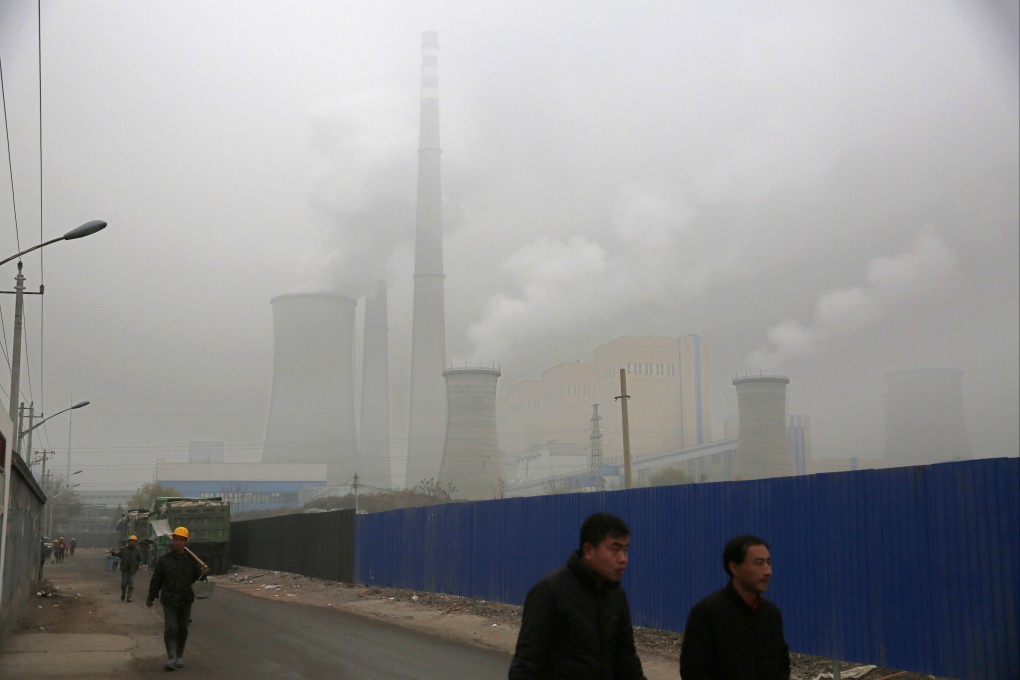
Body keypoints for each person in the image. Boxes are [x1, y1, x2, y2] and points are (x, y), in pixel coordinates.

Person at [508, 512, 647, 679]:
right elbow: (525, 668)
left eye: (625, 549)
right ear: (588, 550)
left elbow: (627, 662)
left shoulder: (616, 595)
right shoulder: (549, 593)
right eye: (615, 549)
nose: (623, 559)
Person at [679, 534, 791, 680]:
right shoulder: (707, 614)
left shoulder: (771, 614)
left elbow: (782, 666)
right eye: (758, 563)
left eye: (768, 563)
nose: (767, 571)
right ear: (734, 568)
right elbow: (693, 671)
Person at [146, 526, 209, 671]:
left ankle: (179, 656)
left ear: (185, 542)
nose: (178, 543)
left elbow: (198, 581)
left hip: (186, 600)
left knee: (182, 629)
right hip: (168, 600)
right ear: (172, 541)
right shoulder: (164, 561)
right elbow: (156, 580)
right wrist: (151, 597)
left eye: (181, 540)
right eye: (176, 540)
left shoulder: (193, 562)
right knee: (171, 627)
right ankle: (171, 658)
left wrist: (203, 573)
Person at [111, 535, 142, 602]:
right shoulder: (124, 549)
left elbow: (140, 559)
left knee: (131, 584)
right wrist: (113, 552)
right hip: (124, 569)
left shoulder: (137, 550)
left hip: (133, 570)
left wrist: (140, 565)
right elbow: (118, 555)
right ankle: (123, 593)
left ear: (136, 542)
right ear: (128, 542)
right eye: (131, 541)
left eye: (134, 541)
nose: (132, 543)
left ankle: (129, 598)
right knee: (123, 583)